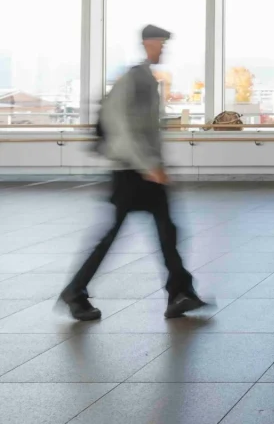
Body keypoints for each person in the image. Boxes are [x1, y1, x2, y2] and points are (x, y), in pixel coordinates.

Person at [60, 25, 206, 321]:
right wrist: (148, 166)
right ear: (147, 43)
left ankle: (180, 293)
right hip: (131, 172)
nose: (163, 49)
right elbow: (123, 128)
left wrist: (156, 164)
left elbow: (147, 130)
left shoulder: (147, 79)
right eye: (160, 43)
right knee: (117, 235)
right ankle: (75, 292)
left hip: (142, 170)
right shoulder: (133, 80)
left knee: (167, 231)